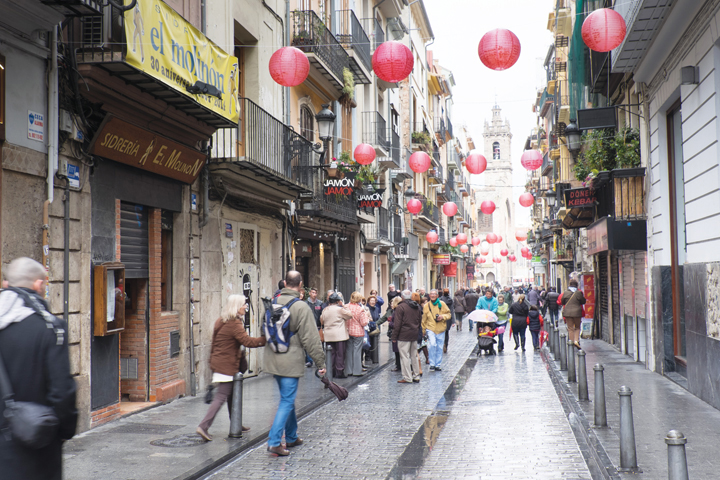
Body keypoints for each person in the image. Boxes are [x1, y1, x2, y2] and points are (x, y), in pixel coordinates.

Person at [0, 257, 77, 480]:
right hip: (34, 440)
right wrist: (64, 431)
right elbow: (62, 390)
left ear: (7, 285)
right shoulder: (50, 328)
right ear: (38, 285)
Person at [264, 271, 325, 456]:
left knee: (286, 398)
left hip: (273, 357)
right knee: (287, 400)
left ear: (284, 283)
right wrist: (320, 362)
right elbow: (311, 339)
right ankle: (274, 441)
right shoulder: (300, 306)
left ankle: (291, 436)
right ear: (300, 284)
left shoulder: (272, 302)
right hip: (290, 360)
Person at [197, 294, 266, 441]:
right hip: (226, 365)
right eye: (243, 304)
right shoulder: (234, 323)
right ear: (236, 307)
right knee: (222, 396)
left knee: (232, 395)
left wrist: (212, 362)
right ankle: (203, 426)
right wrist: (266, 340)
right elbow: (247, 341)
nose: (246, 306)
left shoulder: (221, 320)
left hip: (220, 362)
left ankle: (236, 423)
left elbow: (214, 343)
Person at [391, 290, 422, 383]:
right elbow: (419, 320)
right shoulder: (417, 306)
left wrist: (394, 336)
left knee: (404, 356)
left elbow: (397, 324)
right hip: (414, 333)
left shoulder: (400, 307)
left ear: (402, 296)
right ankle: (416, 376)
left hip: (404, 335)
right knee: (414, 356)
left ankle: (407, 377)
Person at [320, 293, 351, 378]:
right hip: (339, 335)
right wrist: (344, 306)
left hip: (328, 335)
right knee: (340, 354)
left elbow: (321, 320)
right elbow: (350, 315)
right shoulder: (340, 309)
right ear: (338, 301)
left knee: (331, 354)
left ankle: (331, 370)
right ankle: (339, 371)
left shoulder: (325, 310)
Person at [421, 289, 452, 372]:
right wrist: (423, 330)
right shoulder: (426, 306)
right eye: (431, 294)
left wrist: (442, 317)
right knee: (432, 345)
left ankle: (437, 365)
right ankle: (432, 364)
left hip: (441, 328)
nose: (433, 295)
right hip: (430, 328)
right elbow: (424, 319)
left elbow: (449, 314)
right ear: (429, 295)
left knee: (439, 347)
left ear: (437, 295)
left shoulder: (442, 304)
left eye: (434, 294)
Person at [345, 291, 369, 376]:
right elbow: (364, 322)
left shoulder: (346, 307)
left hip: (348, 331)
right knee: (357, 352)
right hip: (358, 332)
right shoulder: (360, 309)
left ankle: (348, 370)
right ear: (359, 299)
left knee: (348, 351)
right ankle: (357, 371)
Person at [379, 296, 403, 371]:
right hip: (396, 333)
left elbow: (396, 323)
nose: (391, 305)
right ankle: (398, 365)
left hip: (398, 333)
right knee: (397, 350)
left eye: (392, 303)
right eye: (390, 303)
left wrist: (390, 324)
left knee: (399, 350)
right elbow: (383, 319)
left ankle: (399, 366)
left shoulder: (397, 311)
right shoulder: (391, 311)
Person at [561, 280, 586, 350]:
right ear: (576, 285)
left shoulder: (565, 292)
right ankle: (576, 341)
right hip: (577, 313)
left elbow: (562, 301)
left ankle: (571, 342)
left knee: (570, 328)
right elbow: (583, 301)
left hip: (568, 313)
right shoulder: (579, 293)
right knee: (577, 327)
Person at [304, 287, 324, 368]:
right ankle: (309, 360)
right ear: (309, 293)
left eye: (315, 293)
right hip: (308, 326)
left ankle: (319, 360)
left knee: (319, 344)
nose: (314, 294)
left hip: (318, 326)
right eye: (312, 292)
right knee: (308, 344)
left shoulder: (320, 303)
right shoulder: (306, 303)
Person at [439, 288, 453, 353]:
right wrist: (453, 321)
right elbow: (452, 311)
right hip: (448, 318)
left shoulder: (440, 300)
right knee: (447, 333)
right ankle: (446, 345)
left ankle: (441, 344)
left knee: (441, 332)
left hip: (441, 317)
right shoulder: (450, 300)